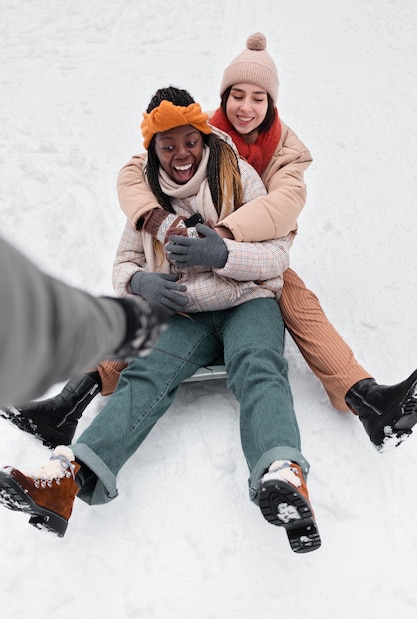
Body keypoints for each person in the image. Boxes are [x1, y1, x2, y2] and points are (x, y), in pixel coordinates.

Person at [2, 33, 417, 452]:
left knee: (293, 295)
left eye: (259, 98)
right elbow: (137, 170)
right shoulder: (199, 131)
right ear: (223, 97)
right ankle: (70, 403)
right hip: (189, 268)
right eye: (237, 95)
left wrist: (223, 239)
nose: (246, 107)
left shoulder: (288, 152)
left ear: (272, 103)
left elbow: (284, 205)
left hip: (253, 256)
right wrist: (158, 224)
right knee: (145, 302)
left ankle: (366, 398)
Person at [0, 87, 321, 554]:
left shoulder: (236, 176)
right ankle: (68, 478)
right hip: (186, 313)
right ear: (153, 150)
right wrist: (140, 284)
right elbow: (123, 265)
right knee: (144, 374)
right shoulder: (147, 200)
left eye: (189, 142)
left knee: (259, 366)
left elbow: (278, 252)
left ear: (203, 137)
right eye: (167, 146)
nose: (180, 155)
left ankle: (282, 474)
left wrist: (223, 251)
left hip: (247, 301)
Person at [0, 234, 168, 406]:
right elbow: (53, 325)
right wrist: (136, 283)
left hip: (172, 316)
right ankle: (64, 407)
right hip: (137, 315)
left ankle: (63, 409)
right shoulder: (143, 215)